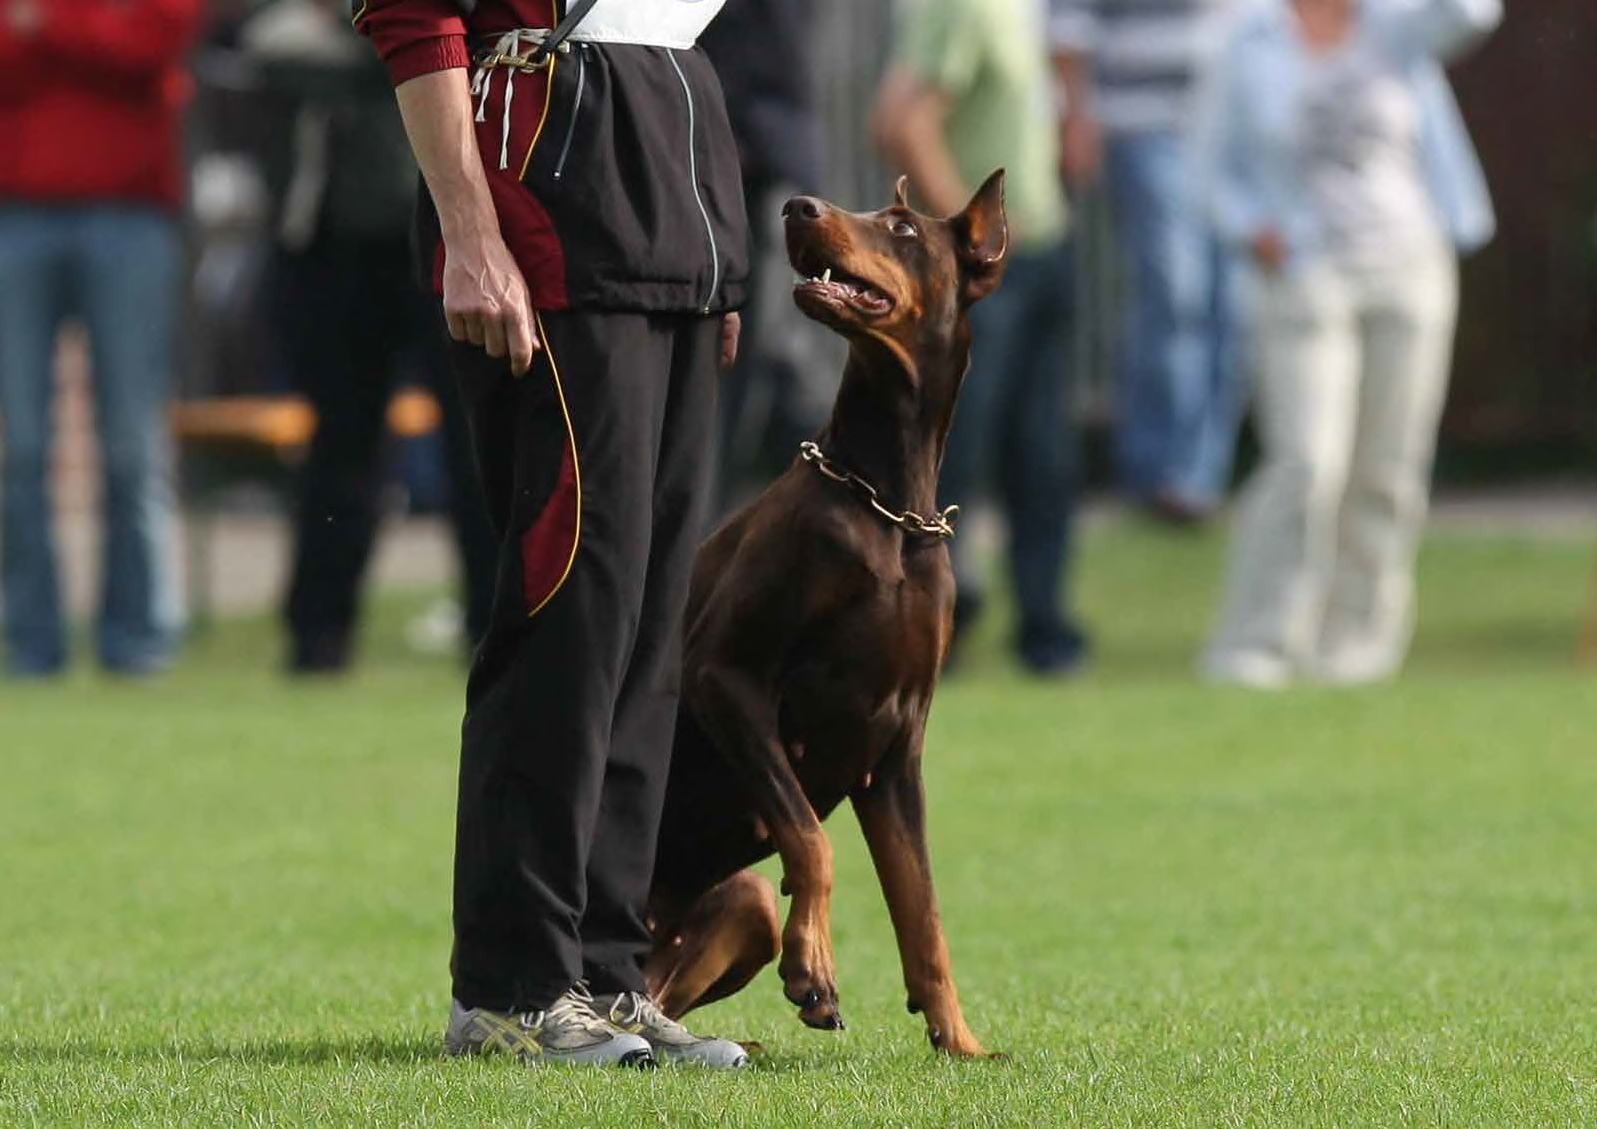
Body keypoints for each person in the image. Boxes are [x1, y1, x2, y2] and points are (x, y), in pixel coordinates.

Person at [355, 0, 751, 1067]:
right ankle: (512, 987)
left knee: (644, 627)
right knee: (570, 609)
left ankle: (607, 976)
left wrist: (707, 241)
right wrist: (470, 237)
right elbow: (411, 18)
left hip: (664, 199)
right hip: (547, 219)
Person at [1195, 0, 1502, 688]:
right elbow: (1207, 169)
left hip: (1409, 266)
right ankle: (1257, 640)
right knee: (1306, 461)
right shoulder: (1243, 38)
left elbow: (1474, 14)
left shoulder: (1397, 24)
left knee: (1388, 470)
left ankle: (1358, 646)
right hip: (1303, 272)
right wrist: (1251, 228)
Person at [238, 0, 496, 673]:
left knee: (476, 448)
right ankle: (317, 636)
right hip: (340, 249)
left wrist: (358, 36)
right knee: (341, 450)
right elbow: (267, 45)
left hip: (446, 243)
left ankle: (491, 625)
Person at [873, 0, 1089, 675]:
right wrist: (970, 242)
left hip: (1042, 246)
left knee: (1044, 453)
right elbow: (900, 122)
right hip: (992, 267)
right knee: (957, 454)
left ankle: (1043, 627)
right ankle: (932, 626)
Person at [0, 0, 203, 678]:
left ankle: (139, 639)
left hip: (130, 214)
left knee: (130, 442)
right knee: (22, 445)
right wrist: (86, 37)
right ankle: (32, 645)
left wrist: (47, 25)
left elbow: (153, 47)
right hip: (16, 212)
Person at [1051, 0, 1242, 523]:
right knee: (1175, 295)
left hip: (1229, 134)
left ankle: (1199, 476)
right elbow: (1069, 25)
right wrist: (1076, 116)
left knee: (1232, 306)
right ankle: (1156, 472)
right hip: (1141, 126)